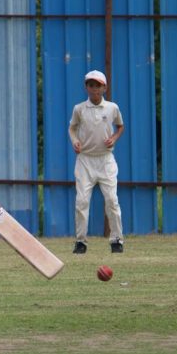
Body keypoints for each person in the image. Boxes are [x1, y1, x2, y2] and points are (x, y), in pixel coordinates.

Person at [69, 70, 125, 255]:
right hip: (85, 160)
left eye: (98, 85)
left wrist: (115, 138)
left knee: (111, 200)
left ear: (104, 87)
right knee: (82, 201)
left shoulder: (112, 108)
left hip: (106, 160)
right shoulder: (79, 109)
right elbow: (72, 128)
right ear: (86, 87)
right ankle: (80, 242)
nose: (94, 89)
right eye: (91, 85)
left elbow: (120, 126)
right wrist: (75, 141)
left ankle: (116, 240)